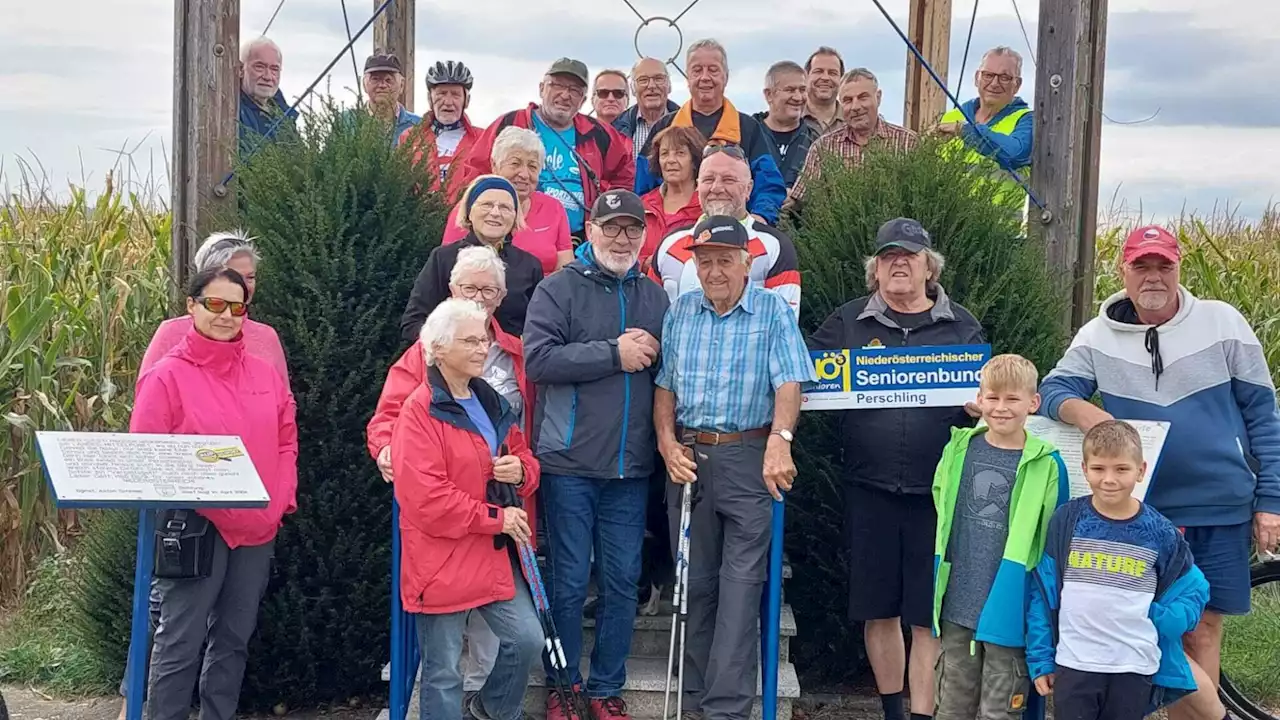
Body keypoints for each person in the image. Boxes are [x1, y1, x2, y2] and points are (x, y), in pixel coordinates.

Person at [1038, 224, 1280, 720]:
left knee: (1202, 628)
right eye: (1141, 266)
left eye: (1163, 266)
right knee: (1141, 629)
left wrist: (1271, 500)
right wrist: (1091, 415)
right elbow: (1053, 390)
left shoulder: (1223, 322)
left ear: (1178, 269)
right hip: (1140, 514)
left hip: (1221, 503)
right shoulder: (1097, 335)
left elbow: (1264, 414)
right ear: (1123, 272)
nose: (1153, 277)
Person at [806, 218, 985, 720]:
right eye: (888, 257)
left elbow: (988, 399)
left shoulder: (962, 327)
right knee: (878, 609)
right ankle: (892, 713)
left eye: (909, 256)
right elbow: (804, 377)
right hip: (870, 487)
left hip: (938, 493)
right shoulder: (846, 323)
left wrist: (981, 405)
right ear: (875, 270)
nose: (898, 264)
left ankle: (923, 716)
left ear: (930, 268)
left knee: (928, 614)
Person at [117, 231, 290, 720]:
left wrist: (277, 502)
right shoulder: (166, 375)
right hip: (194, 524)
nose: (226, 315)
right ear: (192, 306)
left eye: (237, 307)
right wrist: (211, 494)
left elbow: (285, 436)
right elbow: (148, 452)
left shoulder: (263, 370)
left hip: (257, 526)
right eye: (215, 303)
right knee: (179, 641)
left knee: (234, 640)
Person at [653, 214, 817, 720]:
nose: (715, 271)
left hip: (750, 459)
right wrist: (665, 443)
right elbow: (666, 387)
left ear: (747, 264)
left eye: (725, 260)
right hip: (688, 461)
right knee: (696, 585)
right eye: (705, 262)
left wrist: (780, 442)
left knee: (742, 588)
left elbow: (790, 382)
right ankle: (697, 699)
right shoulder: (680, 311)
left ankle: (725, 711)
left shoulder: (771, 312)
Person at [521, 189, 670, 720]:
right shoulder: (557, 289)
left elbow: (668, 373)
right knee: (565, 580)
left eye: (632, 228)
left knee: (623, 580)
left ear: (643, 234)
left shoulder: (654, 296)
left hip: (631, 467)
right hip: (568, 464)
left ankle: (607, 687)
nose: (622, 238)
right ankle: (565, 688)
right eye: (611, 227)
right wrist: (615, 353)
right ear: (591, 229)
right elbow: (538, 361)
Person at [369, 245, 537, 700]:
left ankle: (490, 709)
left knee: (525, 640)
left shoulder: (496, 387)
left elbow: (524, 450)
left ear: (501, 297)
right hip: (445, 549)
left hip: (494, 545)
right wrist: (388, 451)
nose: (479, 298)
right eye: (469, 288)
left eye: (489, 290)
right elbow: (421, 486)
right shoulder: (419, 389)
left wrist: (522, 471)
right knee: (443, 672)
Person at [1027, 421, 1211, 720]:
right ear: (1084, 469)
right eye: (1099, 469)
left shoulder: (1159, 531)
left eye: (1121, 469)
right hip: (1074, 664)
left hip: (1134, 666)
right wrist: (1041, 659)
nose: (1109, 479)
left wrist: (1166, 620)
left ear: (1141, 470)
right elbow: (1042, 592)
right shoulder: (1067, 521)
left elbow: (1195, 589)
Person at [931, 354, 1069, 720]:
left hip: (1012, 605)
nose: (1001, 408)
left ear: (1033, 403)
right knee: (951, 704)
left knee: (1001, 709)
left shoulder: (1048, 464)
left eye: (1012, 399)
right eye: (992, 397)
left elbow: (1053, 543)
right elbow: (941, 512)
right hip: (958, 602)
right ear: (979, 399)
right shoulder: (958, 449)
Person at [462, 58, 635, 243]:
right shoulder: (510, 123)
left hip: (580, 241)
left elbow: (625, 174)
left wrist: (605, 207)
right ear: (541, 89)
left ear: (583, 100)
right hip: (511, 239)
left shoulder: (599, 133)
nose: (565, 94)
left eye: (574, 90)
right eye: (557, 85)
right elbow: (475, 173)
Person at [634, 39, 786, 226]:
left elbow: (769, 185)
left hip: (734, 233)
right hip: (670, 233)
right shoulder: (665, 127)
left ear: (726, 77)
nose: (705, 77)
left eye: (713, 70)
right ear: (687, 77)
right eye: (697, 70)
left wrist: (759, 219)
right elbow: (641, 187)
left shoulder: (747, 127)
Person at [648, 144, 801, 315]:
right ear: (698, 186)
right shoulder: (669, 243)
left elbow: (784, 324)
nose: (717, 188)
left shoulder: (775, 246)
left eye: (728, 180)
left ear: (749, 188)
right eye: (708, 180)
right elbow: (648, 317)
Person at [400, 175, 544, 343]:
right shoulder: (443, 259)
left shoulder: (529, 266)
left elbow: (539, 330)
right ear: (469, 211)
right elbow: (413, 323)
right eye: (487, 205)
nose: (495, 213)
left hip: (510, 363)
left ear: (515, 216)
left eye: (505, 207)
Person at [442, 127, 574, 275]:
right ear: (494, 165)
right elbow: (449, 268)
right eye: (515, 164)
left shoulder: (553, 208)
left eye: (532, 166)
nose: (524, 174)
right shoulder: (471, 208)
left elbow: (565, 271)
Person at [784, 68, 917, 215]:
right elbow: (800, 199)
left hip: (895, 234)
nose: (856, 107)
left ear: (878, 97)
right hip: (839, 235)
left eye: (863, 97)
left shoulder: (908, 142)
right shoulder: (824, 148)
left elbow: (924, 195)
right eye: (848, 100)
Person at [933, 46, 1034, 207]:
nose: (994, 83)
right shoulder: (953, 116)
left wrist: (965, 131)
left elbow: (1016, 154)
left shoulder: (1026, 120)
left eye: (1005, 77)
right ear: (976, 78)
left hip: (1000, 229)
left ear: (1017, 84)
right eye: (988, 75)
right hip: (949, 226)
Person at [398, 60, 482, 202]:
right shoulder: (409, 137)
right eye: (441, 94)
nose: (448, 102)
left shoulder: (482, 140)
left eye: (455, 94)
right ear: (429, 98)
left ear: (466, 100)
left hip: (466, 221)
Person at [638, 126, 704, 266]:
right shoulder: (642, 205)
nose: (670, 160)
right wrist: (644, 264)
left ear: (694, 161)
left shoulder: (707, 206)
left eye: (680, 153)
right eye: (664, 154)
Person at [752, 61, 820, 190]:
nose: (798, 97)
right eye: (790, 90)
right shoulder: (748, 134)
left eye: (802, 90)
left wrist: (798, 197)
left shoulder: (815, 139)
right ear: (769, 95)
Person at [342, 53, 421, 146]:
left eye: (388, 80)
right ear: (364, 84)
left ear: (402, 85)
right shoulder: (346, 121)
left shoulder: (418, 126)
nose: (382, 85)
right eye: (375, 79)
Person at [238, 36, 296, 154]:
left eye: (274, 69)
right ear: (241, 69)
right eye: (259, 67)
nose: (268, 76)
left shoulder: (285, 116)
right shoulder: (229, 110)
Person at [612, 58, 678, 160]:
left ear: (669, 86)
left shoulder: (687, 123)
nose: (651, 86)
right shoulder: (616, 129)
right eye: (643, 80)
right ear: (633, 88)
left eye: (659, 79)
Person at [803, 47, 845, 136]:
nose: (825, 78)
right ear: (806, 77)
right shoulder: (790, 119)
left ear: (841, 80)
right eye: (818, 71)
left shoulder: (852, 121)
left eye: (832, 73)